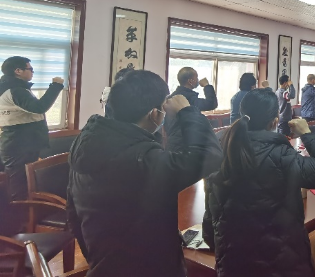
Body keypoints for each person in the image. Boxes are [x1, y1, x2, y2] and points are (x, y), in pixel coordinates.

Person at [66, 70, 222, 276]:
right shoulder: (143, 159)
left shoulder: (88, 141)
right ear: (154, 114)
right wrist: (188, 111)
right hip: (146, 264)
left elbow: (73, 214)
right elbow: (209, 156)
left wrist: (96, 259)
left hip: (103, 259)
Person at [203, 89, 315, 276]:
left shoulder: (219, 151)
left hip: (233, 264)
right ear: (275, 121)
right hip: (282, 263)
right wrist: (308, 134)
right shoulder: (281, 155)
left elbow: (211, 215)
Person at [0, 56, 64, 201]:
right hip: (18, 143)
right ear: (18, 71)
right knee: (19, 184)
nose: (33, 72)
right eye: (30, 69)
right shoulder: (15, 90)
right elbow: (39, 107)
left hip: (17, 141)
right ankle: (19, 213)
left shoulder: (11, 87)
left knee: (22, 181)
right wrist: (55, 86)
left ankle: (23, 211)